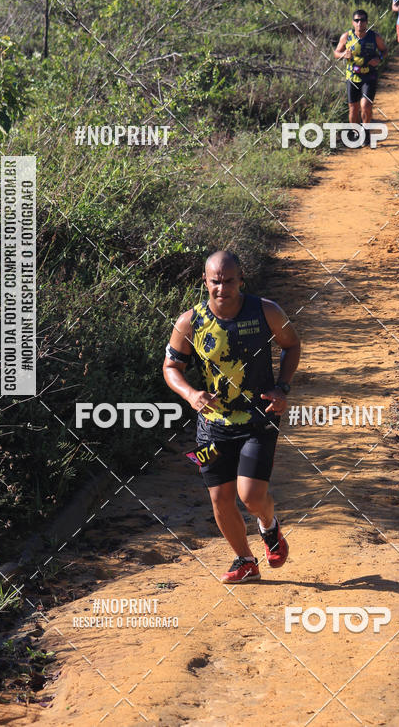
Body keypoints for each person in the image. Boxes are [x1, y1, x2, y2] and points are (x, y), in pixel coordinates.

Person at [163, 250, 301, 584]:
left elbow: (291, 345)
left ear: (241, 280)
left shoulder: (265, 311)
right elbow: (171, 368)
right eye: (215, 282)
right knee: (219, 498)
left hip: (259, 419)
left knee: (251, 496)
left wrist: (282, 387)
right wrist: (191, 394)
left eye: (228, 281)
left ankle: (269, 527)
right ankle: (245, 561)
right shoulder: (189, 322)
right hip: (210, 427)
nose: (222, 288)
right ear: (204, 281)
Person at [333, 9, 387, 140]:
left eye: (362, 20)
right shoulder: (347, 36)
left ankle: (366, 131)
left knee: (366, 105)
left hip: (369, 76)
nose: (359, 23)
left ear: (367, 22)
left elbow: (384, 50)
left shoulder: (374, 37)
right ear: (353, 22)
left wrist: (378, 59)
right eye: (357, 20)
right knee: (353, 108)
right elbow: (336, 53)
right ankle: (357, 133)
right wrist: (343, 55)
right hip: (352, 76)